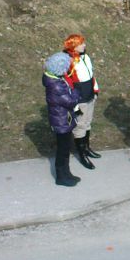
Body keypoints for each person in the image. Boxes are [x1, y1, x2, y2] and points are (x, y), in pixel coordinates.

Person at [42, 52, 82, 187]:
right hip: (61, 122)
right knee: (63, 150)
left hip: (64, 119)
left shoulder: (55, 79)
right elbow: (70, 101)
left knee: (65, 148)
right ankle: (61, 176)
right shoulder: (56, 85)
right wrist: (77, 92)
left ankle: (67, 173)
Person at [63, 34, 101, 170]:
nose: (84, 45)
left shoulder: (85, 57)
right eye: (81, 44)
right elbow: (67, 83)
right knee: (80, 126)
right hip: (79, 99)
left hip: (90, 95)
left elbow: (91, 75)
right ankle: (82, 155)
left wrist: (95, 91)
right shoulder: (68, 61)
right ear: (74, 46)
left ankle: (87, 148)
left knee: (88, 123)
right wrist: (75, 103)